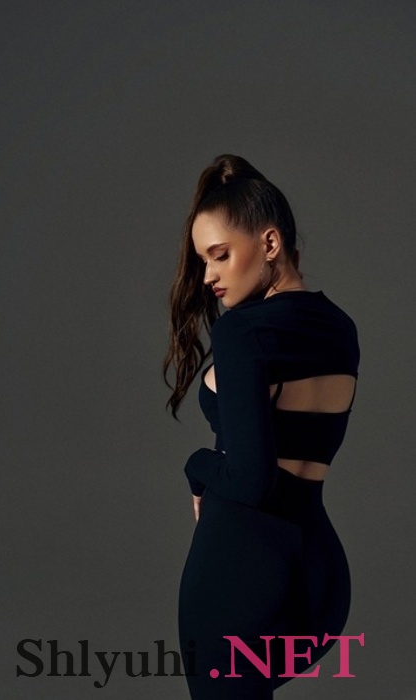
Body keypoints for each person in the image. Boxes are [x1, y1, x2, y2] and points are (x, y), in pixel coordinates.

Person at [163, 154, 360, 699]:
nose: (209, 276)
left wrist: (196, 465)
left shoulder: (242, 332)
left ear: (270, 243)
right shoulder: (340, 327)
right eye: (203, 261)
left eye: (220, 255)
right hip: (318, 578)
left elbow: (252, 481)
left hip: (241, 571)